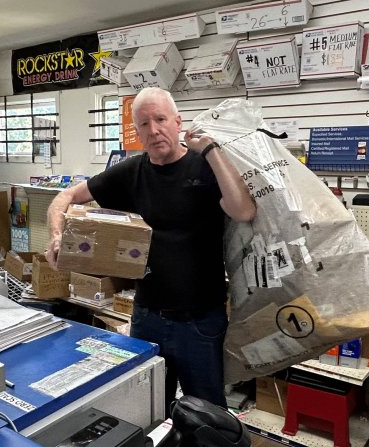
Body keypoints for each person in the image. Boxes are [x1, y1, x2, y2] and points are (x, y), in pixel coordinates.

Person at [45, 88, 255, 409]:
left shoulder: (205, 166)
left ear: (177, 122)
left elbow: (244, 210)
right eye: (144, 124)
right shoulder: (131, 172)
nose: (154, 130)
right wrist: (57, 236)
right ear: (137, 132)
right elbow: (65, 198)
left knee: (209, 415)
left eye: (160, 119)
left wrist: (210, 148)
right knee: (148, 409)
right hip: (146, 316)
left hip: (200, 322)